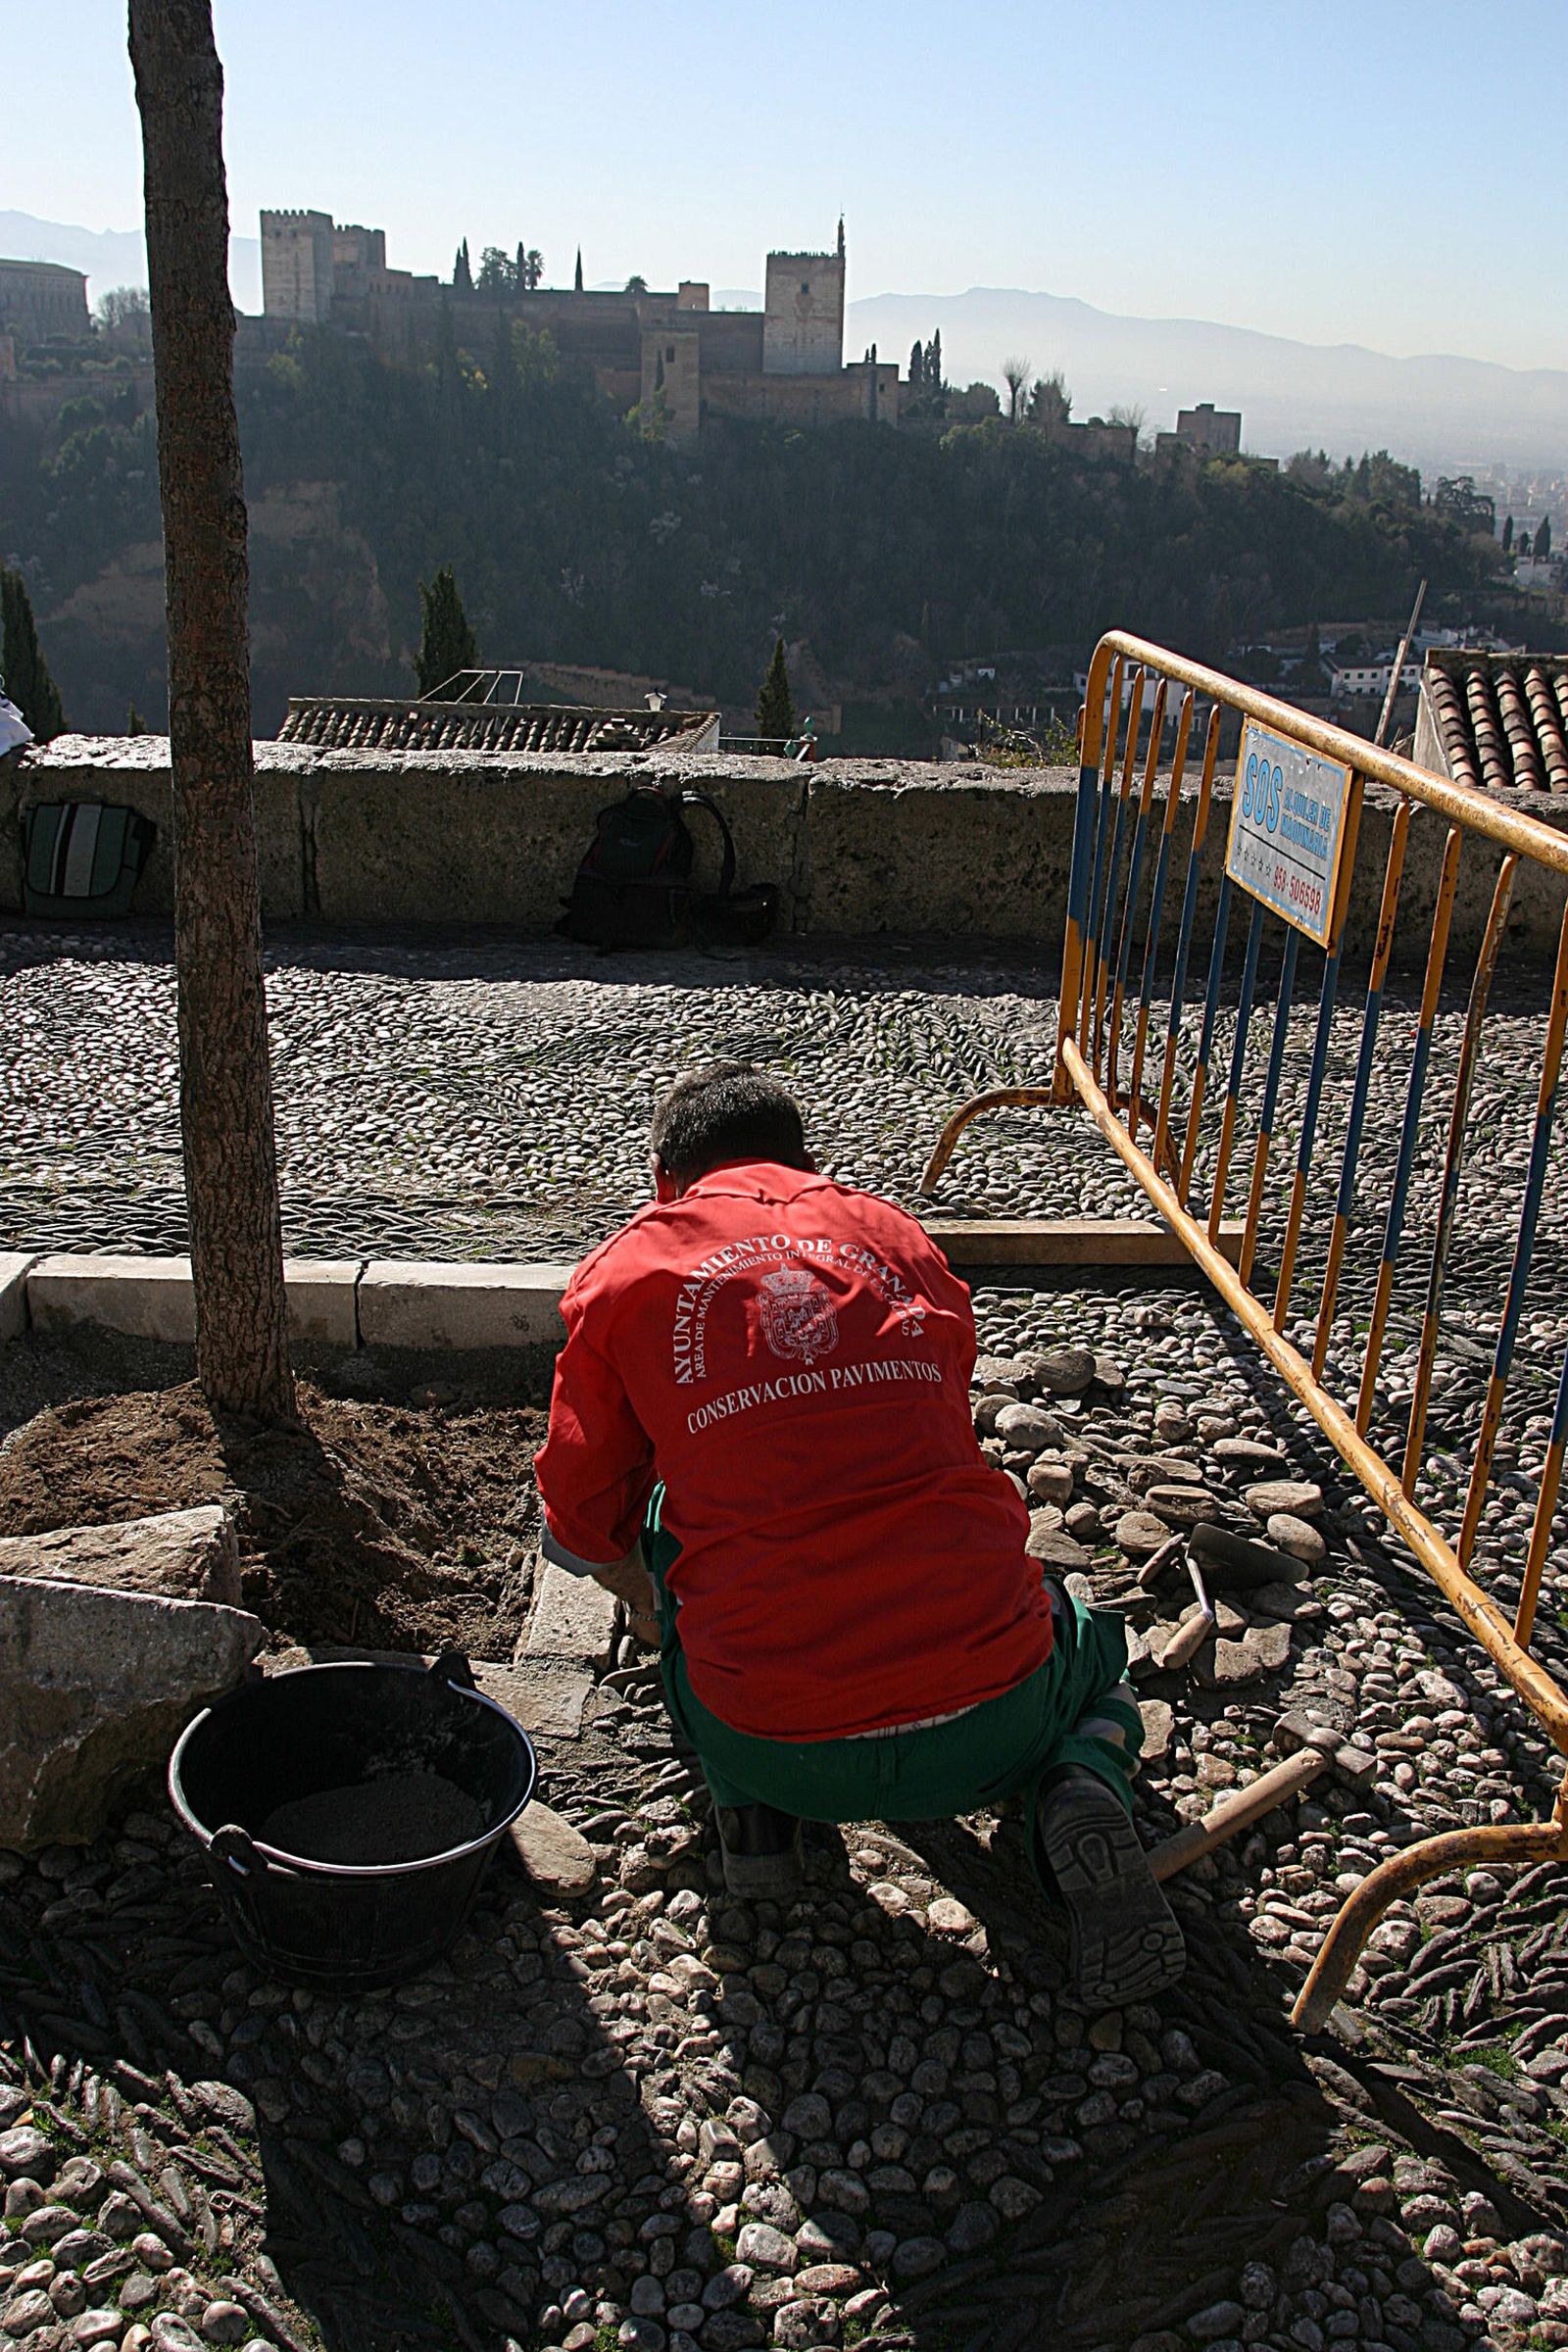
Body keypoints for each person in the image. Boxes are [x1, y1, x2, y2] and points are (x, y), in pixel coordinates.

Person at [534, 1063, 1183, 2009]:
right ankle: (1078, 1781)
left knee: (678, 1545)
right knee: (1094, 1651)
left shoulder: (627, 1271)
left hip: (771, 1739)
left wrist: (654, 1600)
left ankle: (754, 1818)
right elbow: (942, 1412)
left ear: (666, 1182)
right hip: (991, 1723)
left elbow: (580, 1511)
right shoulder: (892, 1235)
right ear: (804, 1162)